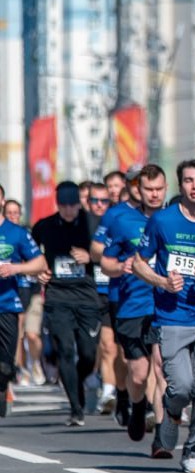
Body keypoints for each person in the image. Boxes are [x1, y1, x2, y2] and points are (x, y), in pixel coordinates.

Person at [133, 160, 195, 473]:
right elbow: (138, 263)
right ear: (181, 185)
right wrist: (163, 282)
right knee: (180, 387)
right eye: (189, 180)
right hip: (172, 316)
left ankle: (192, 450)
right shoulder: (162, 221)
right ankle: (170, 410)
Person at [100, 165, 170, 453]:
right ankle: (137, 404)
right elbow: (104, 261)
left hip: (166, 306)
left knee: (162, 368)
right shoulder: (122, 219)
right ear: (138, 190)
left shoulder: (174, 219)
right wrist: (120, 267)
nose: (153, 194)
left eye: (158, 189)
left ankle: (163, 436)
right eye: (148, 189)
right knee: (139, 375)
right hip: (132, 304)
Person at [32, 182, 102, 425]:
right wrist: (38, 272)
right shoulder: (45, 226)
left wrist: (91, 256)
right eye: (64, 205)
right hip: (58, 296)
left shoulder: (93, 223)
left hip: (87, 297)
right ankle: (75, 408)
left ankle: (77, 384)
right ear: (57, 204)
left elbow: (114, 252)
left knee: (88, 353)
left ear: (79, 203)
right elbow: (29, 254)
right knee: (65, 350)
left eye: (73, 205)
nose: (69, 210)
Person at [0, 201, 46, 417]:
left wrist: (15, 268)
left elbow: (40, 263)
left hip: (7, 304)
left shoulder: (16, 233)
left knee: (6, 365)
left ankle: (3, 387)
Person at [84, 181, 119, 415]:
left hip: (113, 292)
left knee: (112, 346)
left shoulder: (117, 222)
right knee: (93, 348)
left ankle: (110, 391)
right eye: (95, 200)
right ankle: (96, 383)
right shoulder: (80, 225)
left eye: (104, 200)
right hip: (87, 293)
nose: (99, 205)